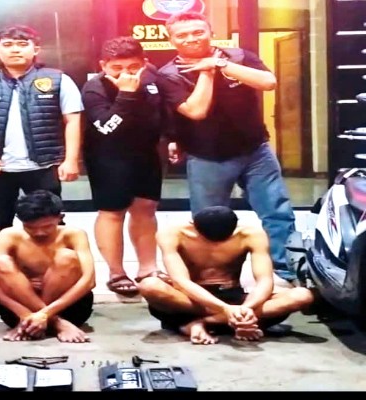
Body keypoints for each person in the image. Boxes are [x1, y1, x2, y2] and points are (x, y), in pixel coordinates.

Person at [156, 11, 297, 283]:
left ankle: (286, 271)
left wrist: (219, 64)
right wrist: (206, 72)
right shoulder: (169, 75)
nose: (191, 38)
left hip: (255, 151)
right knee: (208, 222)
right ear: (171, 40)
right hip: (207, 157)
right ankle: (214, 278)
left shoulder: (239, 56)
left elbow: (268, 82)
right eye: (182, 35)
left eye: (198, 32)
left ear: (211, 32)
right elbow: (195, 111)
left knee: (277, 212)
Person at [0, 25, 84, 303]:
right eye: (8, 44)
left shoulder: (58, 79)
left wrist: (71, 159)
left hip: (44, 165)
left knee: (51, 221)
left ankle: (54, 272)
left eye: (22, 44)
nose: (15, 49)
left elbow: (72, 120)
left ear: (36, 49)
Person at [138, 206, 314, 345]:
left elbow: (264, 280)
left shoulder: (251, 234)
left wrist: (245, 309)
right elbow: (181, 281)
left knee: (302, 295)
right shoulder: (172, 234)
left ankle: (203, 323)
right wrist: (226, 310)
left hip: (232, 296)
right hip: (191, 300)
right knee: (149, 286)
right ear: (193, 225)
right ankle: (228, 322)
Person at [81, 36, 169, 296]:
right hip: (108, 156)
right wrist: (127, 94)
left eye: (133, 67)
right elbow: (107, 128)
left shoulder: (152, 80)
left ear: (144, 63)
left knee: (146, 208)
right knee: (113, 211)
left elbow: (163, 114)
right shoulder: (94, 88)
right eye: (116, 68)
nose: (125, 74)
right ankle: (116, 272)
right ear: (103, 65)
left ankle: (148, 268)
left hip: (146, 153)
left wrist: (172, 137)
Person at [0, 190, 95, 343]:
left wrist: (44, 314)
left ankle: (45, 320)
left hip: (69, 309)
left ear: (60, 217)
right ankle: (57, 323)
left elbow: (89, 280)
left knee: (66, 257)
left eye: (47, 226)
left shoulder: (74, 234)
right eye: (30, 227)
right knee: (1, 262)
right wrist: (26, 314)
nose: (39, 232)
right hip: (19, 312)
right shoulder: (9, 235)